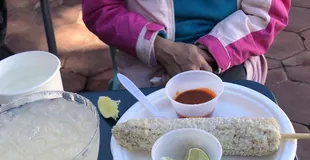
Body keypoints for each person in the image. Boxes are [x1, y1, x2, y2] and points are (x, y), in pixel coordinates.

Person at [82, 0, 290, 87]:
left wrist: (207, 53)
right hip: (144, 61)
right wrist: (159, 47)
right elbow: (101, 9)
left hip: (230, 56)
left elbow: (266, 14)